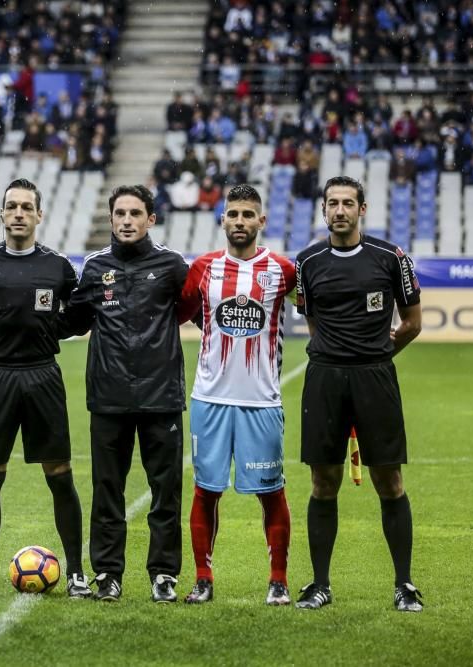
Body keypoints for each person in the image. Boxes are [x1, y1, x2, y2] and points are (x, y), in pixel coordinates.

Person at [0, 178, 91, 599]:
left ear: (38, 215)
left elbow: (82, 317)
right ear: (1, 213)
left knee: (60, 474)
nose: (18, 213)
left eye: (26, 207)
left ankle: (75, 573)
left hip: (42, 376)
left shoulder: (58, 267)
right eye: (11, 206)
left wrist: (52, 329)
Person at [294, 176, 423, 612]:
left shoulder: (391, 257)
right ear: (323, 209)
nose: (340, 210)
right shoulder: (307, 262)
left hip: (375, 378)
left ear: (362, 209)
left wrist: (378, 353)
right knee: (322, 481)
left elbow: (412, 323)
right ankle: (320, 584)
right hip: (325, 378)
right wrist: (336, 350)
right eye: (333, 203)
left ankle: (404, 585)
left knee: (389, 480)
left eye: (349, 203)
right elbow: (311, 320)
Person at [60, 184, 188, 603]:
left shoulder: (171, 265)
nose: (127, 221)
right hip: (109, 397)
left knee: (165, 491)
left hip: (161, 396)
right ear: (112, 218)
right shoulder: (96, 267)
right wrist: (28, 318)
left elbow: (193, 312)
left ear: (151, 219)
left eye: (136, 213)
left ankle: (164, 574)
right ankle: (108, 574)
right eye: (120, 214)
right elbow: (74, 321)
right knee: (107, 490)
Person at [175, 184, 295, 606]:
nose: (240, 222)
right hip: (210, 398)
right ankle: (203, 579)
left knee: (271, 491)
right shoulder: (204, 268)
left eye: (248, 214)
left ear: (261, 221)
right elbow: (180, 314)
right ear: (222, 220)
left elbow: (318, 311)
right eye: (233, 214)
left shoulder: (283, 270)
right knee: (206, 490)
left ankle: (278, 580)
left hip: (261, 401)